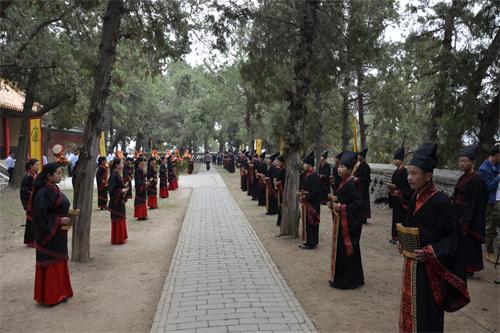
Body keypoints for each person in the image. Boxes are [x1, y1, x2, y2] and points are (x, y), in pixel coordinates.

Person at [399, 143, 469, 333]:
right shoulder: (415, 197)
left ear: (428, 176)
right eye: (408, 173)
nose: (409, 178)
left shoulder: (441, 202)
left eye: (414, 174)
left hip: (430, 268)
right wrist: (403, 241)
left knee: (426, 310)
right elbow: (410, 225)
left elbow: (454, 238)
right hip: (412, 263)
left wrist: (430, 252)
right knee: (411, 305)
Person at [32, 163, 73, 306]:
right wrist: (59, 220)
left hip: (58, 233)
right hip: (49, 234)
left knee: (59, 263)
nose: (60, 176)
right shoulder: (43, 192)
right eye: (58, 173)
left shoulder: (53, 188)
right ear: (49, 176)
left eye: (61, 173)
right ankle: (52, 295)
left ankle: (60, 292)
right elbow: (40, 216)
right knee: (52, 264)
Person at [328, 151, 364, 289]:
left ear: (349, 170)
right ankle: (342, 277)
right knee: (340, 250)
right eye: (339, 166)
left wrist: (341, 207)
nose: (339, 169)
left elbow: (357, 205)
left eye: (343, 167)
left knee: (347, 250)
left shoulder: (352, 183)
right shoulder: (342, 182)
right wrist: (332, 204)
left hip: (349, 224)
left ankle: (348, 281)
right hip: (342, 222)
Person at [452, 146, 488, 276]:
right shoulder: (462, 178)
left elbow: (476, 203)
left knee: (469, 243)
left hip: (469, 216)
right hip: (458, 213)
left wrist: (466, 221)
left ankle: (469, 269)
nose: (461, 163)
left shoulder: (477, 180)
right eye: (460, 161)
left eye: (464, 161)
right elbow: (456, 195)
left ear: (472, 162)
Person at [478, 144, 500, 264]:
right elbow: (488, 187)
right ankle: (489, 253)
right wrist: (498, 178)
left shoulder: (497, 165)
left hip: (498, 199)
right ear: (496, 155)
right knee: (490, 226)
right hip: (490, 201)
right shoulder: (483, 169)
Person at [387, 147, 413, 244]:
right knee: (395, 218)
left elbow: (408, 187)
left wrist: (400, 192)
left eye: (396, 159)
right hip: (396, 199)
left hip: (402, 199)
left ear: (400, 160)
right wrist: (391, 190)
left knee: (402, 218)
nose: (394, 161)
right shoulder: (396, 171)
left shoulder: (405, 171)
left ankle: (401, 239)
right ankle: (395, 237)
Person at [298, 151, 322, 250]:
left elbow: (316, 192)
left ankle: (312, 242)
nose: (304, 165)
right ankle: (308, 241)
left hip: (313, 204)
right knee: (307, 223)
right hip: (307, 203)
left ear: (310, 165)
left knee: (312, 223)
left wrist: (306, 197)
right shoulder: (307, 174)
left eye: (305, 164)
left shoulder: (314, 176)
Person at [108, 158, 129, 244]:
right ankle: (118, 239)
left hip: (119, 200)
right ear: (117, 165)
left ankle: (121, 237)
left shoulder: (117, 174)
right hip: (116, 201)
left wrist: (124, 186)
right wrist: (121, 191)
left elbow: (118, 186)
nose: (123, 165)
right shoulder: (114, 175)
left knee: (121, 217)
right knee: (118, 218)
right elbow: (112, 190)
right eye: (121, 164)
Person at [20, 159, 39, 247]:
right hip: (31, 202)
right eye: (37, 165)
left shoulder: (35, 175)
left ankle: (34, 239)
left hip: (36, 201)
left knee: (35, 220)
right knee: (31, 221)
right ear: (31, 166)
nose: (38, 167)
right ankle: (31, 241)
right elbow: (24, 191)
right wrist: (32, 194)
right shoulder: (27, 176)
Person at [353, 148, 371, 224]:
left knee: (363, 202)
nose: (358, 157)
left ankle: (363, 218)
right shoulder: (359, 165)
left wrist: (358, 179)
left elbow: (367, 178)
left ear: (362, 157)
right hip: (358, 187)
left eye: (359, 155)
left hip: (363, 188)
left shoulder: (366, 166)